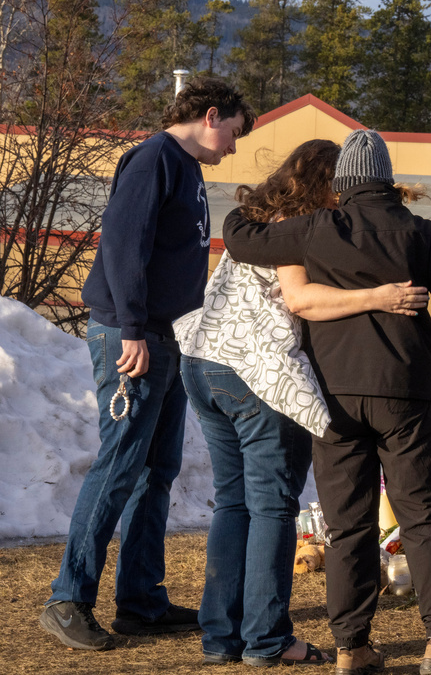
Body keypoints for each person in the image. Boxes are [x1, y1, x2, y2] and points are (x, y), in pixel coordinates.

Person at [222, 129, 431, 675]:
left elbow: (240, 240)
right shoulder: (417, 232)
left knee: (348, 527)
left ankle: (353, 648)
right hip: (406, 394)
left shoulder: (315, 230)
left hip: (336, 396)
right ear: (386, 180)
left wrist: (250, 205)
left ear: (344, 183)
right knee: (423, 521)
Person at [174, 139, 429, 666]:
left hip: (203, 361)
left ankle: (221, 636)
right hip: (256, 374)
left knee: (234, 502)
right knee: (272, 504)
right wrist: (379, 296)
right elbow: (300, 299)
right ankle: (267, 638)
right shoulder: (301, 221)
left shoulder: (261, 216)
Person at [40, 78, 257, 651]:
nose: (233, 146)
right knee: (119, 466)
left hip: (167, 338)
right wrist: (132, 328)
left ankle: (139, 600)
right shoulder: (154, 159)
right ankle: (68, 599)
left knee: (157, 471)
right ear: (212, 115)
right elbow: (121, 244)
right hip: (131, 337)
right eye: (234, 132)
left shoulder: (186, 168)